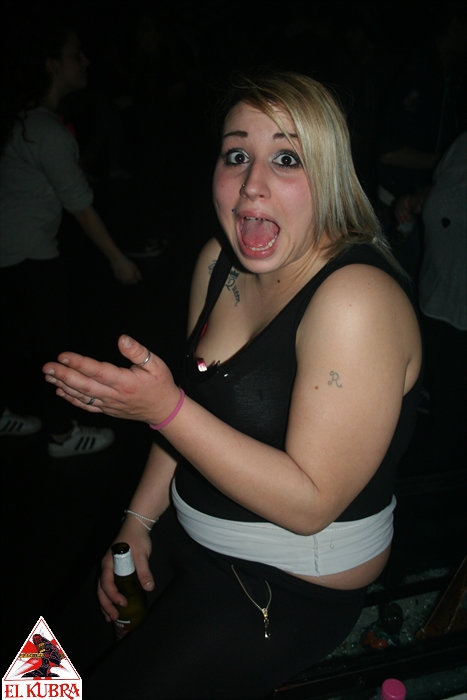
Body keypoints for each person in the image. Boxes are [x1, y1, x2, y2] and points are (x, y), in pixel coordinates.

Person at [42, 72, 422, 699]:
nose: (252, 184)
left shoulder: (357, 300)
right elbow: (190, 413)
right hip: (186, 530)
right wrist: (135, 523)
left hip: (289, 583)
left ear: (331, 175)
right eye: (237, 155)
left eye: (287, 158)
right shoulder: (217, 263)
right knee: (37, 672)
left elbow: (311, 504)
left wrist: (163, 409)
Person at [0, 16, 141, 455]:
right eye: (75, 55)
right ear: (51, 64)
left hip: (10, 251)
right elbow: (80, 206)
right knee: (50, 346)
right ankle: (61, 435)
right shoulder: (44, 131)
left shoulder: (25, 121)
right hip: (28, 256)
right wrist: (119, 259)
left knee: (12, 340)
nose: (85, 61)